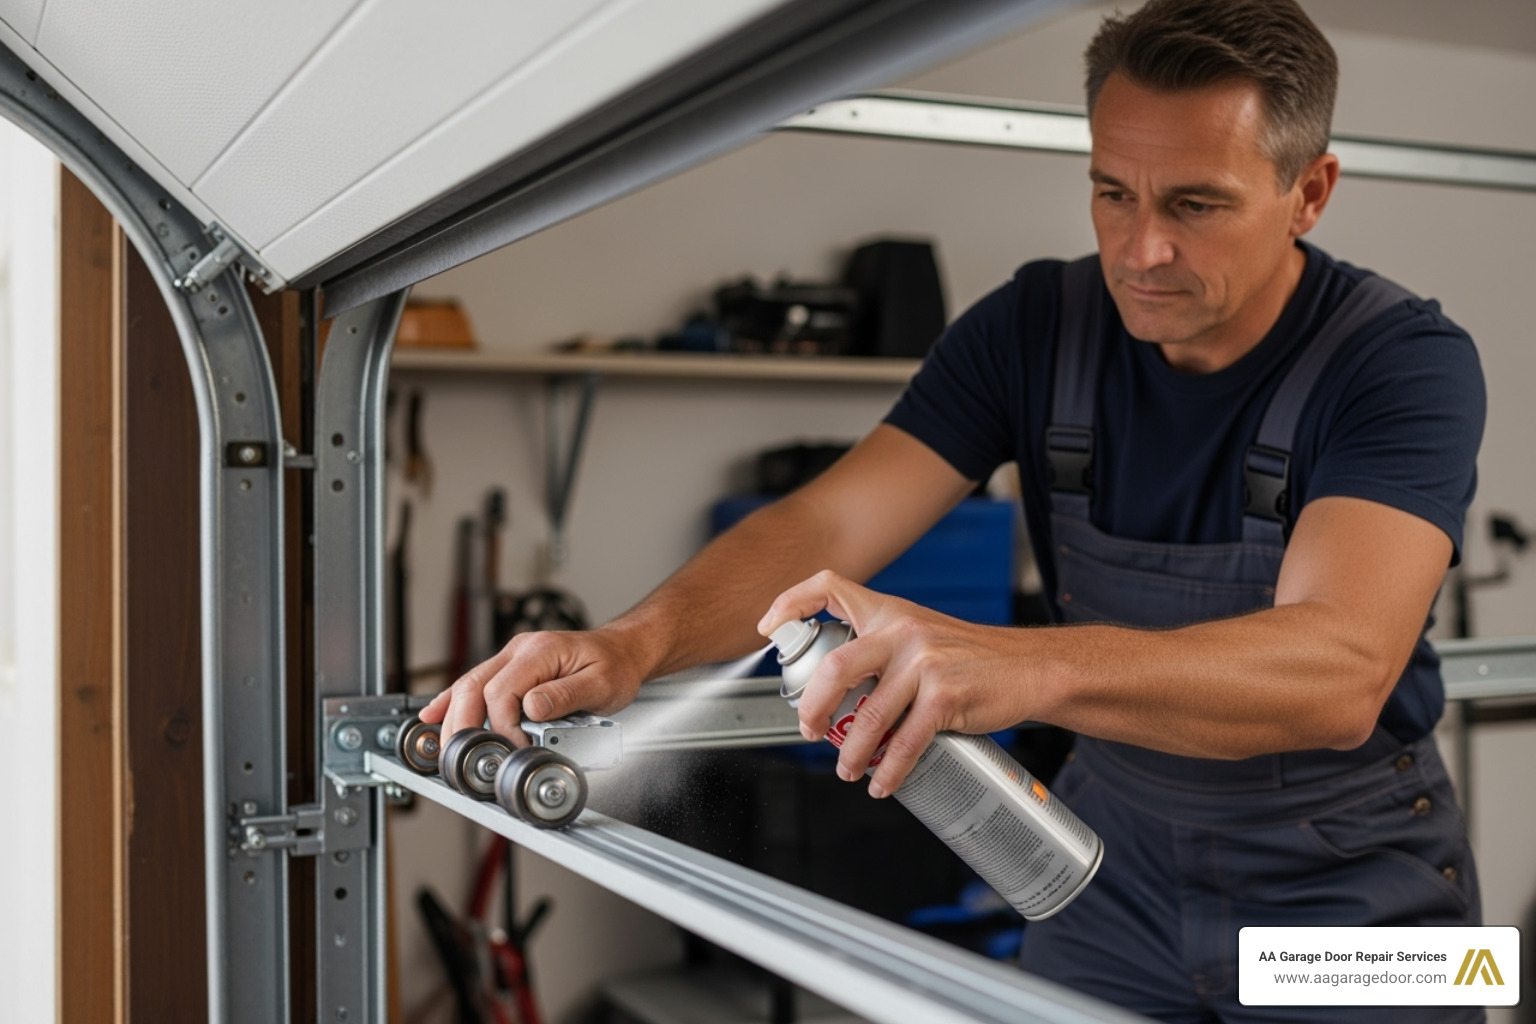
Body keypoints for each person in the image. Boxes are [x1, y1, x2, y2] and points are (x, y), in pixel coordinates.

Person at [423, 0, 1486, 1018]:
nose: (1140, 249)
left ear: (1311, 191)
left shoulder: (1403, 363)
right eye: (1113, 191)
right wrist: (632, 642)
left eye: (1195, 205)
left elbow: (1341, 670)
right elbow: (827, 527)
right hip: (1104, 875)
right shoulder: (1034, 326)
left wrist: (1022, 664)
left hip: (1347, 897)